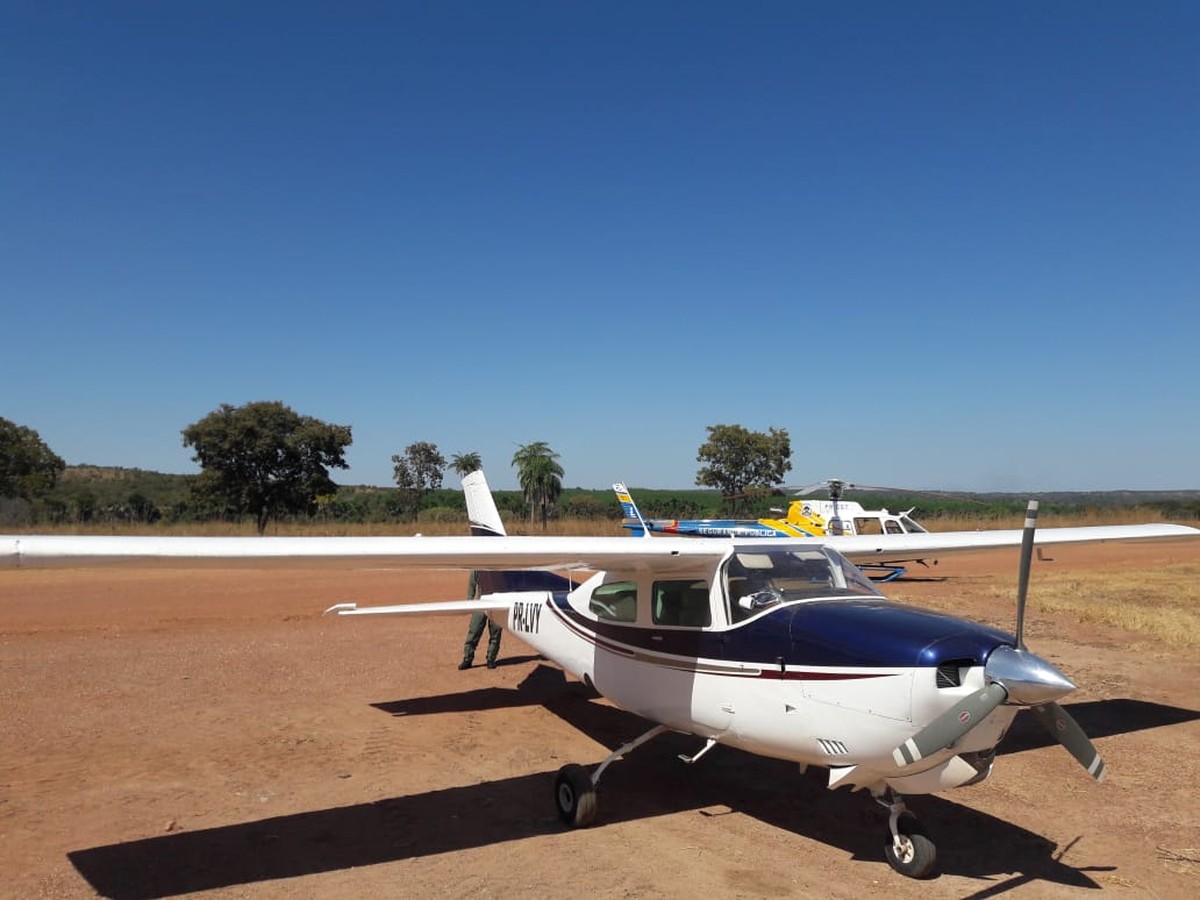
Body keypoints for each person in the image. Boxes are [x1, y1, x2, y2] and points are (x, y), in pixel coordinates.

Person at [458, 570, 501, 669]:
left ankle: (491, 659)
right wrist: (470, 601)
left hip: (497, 603)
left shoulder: (500, 566)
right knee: (474, 631)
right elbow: (472, 583)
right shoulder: (479, 566)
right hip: (481, 602)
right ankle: (467, 659)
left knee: (495, 632)